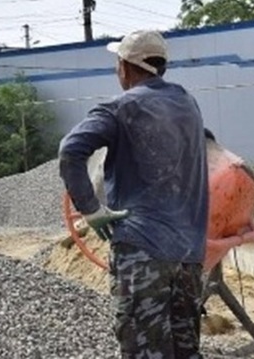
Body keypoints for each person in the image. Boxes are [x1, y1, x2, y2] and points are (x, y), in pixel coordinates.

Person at [58, 30, 208, 359]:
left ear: (125, 67)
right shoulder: (188, 103)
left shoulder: (121, 107)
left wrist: (90, 209)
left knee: (144, 351)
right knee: (186, 352)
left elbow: (70, 151)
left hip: (143, 254)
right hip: (190, 256)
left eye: (117, 63)